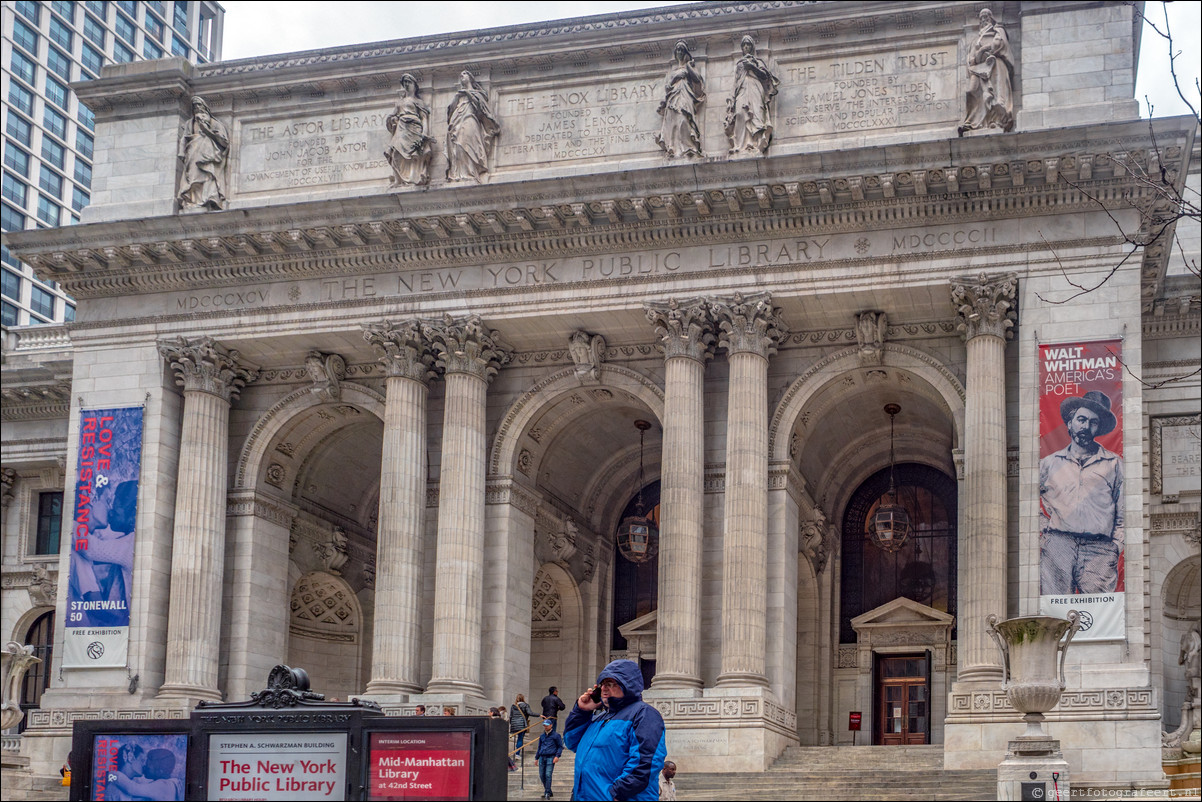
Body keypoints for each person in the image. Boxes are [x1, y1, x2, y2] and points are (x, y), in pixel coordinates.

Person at [1040, 390, 1124, 595]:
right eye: (1081, 419)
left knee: (1098, 617)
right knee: (1055, 613)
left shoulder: (1114, 464)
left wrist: (1116, 546)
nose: (1085, 427)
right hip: (1058, 545)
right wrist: (1043, 533)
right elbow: (1027, 499)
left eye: (1093, 422)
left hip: (1100, 549)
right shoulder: (1049, 464)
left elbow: (1124, 511)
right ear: (1070, 423)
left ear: (1099, 428)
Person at [564, 659, 666, 801]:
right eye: (603, 684)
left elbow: (645, 764)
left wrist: (615, 794)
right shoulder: (601, 717)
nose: (605, 688)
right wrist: (582, 711)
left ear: (628, 685)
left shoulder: (644, 714)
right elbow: (571, 741)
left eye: (612, 684)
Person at [958, 8, 1014, 135]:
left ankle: (994, 120)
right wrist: (979, 54)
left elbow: (999, 44)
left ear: (991, 18)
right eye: (982, 18)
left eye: (986, 17)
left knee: (995, 95)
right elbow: (972, 60)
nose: (984, 20)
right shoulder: (975, 40)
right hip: (979, 69)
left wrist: (984, 49)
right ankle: (974, 121)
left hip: (995, 66)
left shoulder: (997, 30)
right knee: (971, 90)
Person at [725, 35, 779, 155]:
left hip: (755, 88)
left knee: (756, 114)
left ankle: (755, 142)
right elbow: (735, 81)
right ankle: (742, 144)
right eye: (744, 45)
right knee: (740, 114)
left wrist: (753, 67)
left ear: (752, 46)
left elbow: (765, 76)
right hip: (742, 89)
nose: (746, 47)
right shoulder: (739, 63)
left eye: (748, 44)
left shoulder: (758, 62)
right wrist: (731, 98)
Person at [446, 70, 501, 182]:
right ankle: (460, 173)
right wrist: (457, 97)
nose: (462, 75)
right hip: (457, 121)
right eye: (460, 74)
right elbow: (450, 111)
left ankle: (471, 171)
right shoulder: (458, 95)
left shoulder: (477, 94)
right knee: (458, 145)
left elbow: (482, 109)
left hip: (470, 120)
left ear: (471, 78)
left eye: (465, 74)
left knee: (467, 143)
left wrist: (468, 94)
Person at [654, 42, 706, 158]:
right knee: (674, 122)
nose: (679, 52)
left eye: (682, 50)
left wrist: (688, 66)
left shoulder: (689, 67)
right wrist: (676, 77)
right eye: (677, 50)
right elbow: (667, 87)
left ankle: (688, 147)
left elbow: (698, 80)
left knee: (684, 120)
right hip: (674, 97)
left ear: (686, 53)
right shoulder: (673, 73)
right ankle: (673, 147)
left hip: (685, 95)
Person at [177, 96, 230, 211]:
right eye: (194, 105)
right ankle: (193, 200)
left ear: (205, 107)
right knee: (192, 177)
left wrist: (206, 130)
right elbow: (184, 139)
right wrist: (181, 152)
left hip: (208, 155)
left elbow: (224, 142)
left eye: (199, 105)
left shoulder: (214, 123)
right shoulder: (189, 124)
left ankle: (209, 198)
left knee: (208, 175)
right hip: (192, 154)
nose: (197, 107)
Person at [385, 73, 433, 187]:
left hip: (414, 128)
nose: (406, 84)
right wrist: (393, 120)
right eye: (404, 82)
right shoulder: (399, 103)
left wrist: (424, 133)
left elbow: (424, 118)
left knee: (414, 154)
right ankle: (399, 179)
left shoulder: (419, 102)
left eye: (409, 82)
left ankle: (412, 178)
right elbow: (391, 117)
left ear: (415, 85)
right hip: (402, 128)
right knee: (395, 152)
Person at [106, 747, 183, 801]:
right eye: (142, 760)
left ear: (160, 771)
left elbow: (132, 788)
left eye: (148, 765)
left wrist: (110, 774)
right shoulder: (169, 786)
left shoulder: (164, 786)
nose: (144, 766)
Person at [536, 719, 564, 799]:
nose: (545, 727)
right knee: (542, 775)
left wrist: (557, 756)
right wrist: (536, 758)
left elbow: (560, 746)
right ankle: (548, 790)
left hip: (551, 757)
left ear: (551, 725)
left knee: (548, 774)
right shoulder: (542, 736)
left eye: (547, 725)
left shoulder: (556, 735)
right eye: (544, 725)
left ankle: (547, 792)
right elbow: (539, 747)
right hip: (542, 756)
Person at [510, 693, 534, 765]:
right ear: (523, 698)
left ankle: (516, 753)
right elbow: (530, 713)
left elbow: (511, 716)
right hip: (522, 724)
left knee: (517, 739)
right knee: (520, 739)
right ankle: (517, 753)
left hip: (514, 724)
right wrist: (539, 715)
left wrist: (512, 724)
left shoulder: (513, 706)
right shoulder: (525, 705)